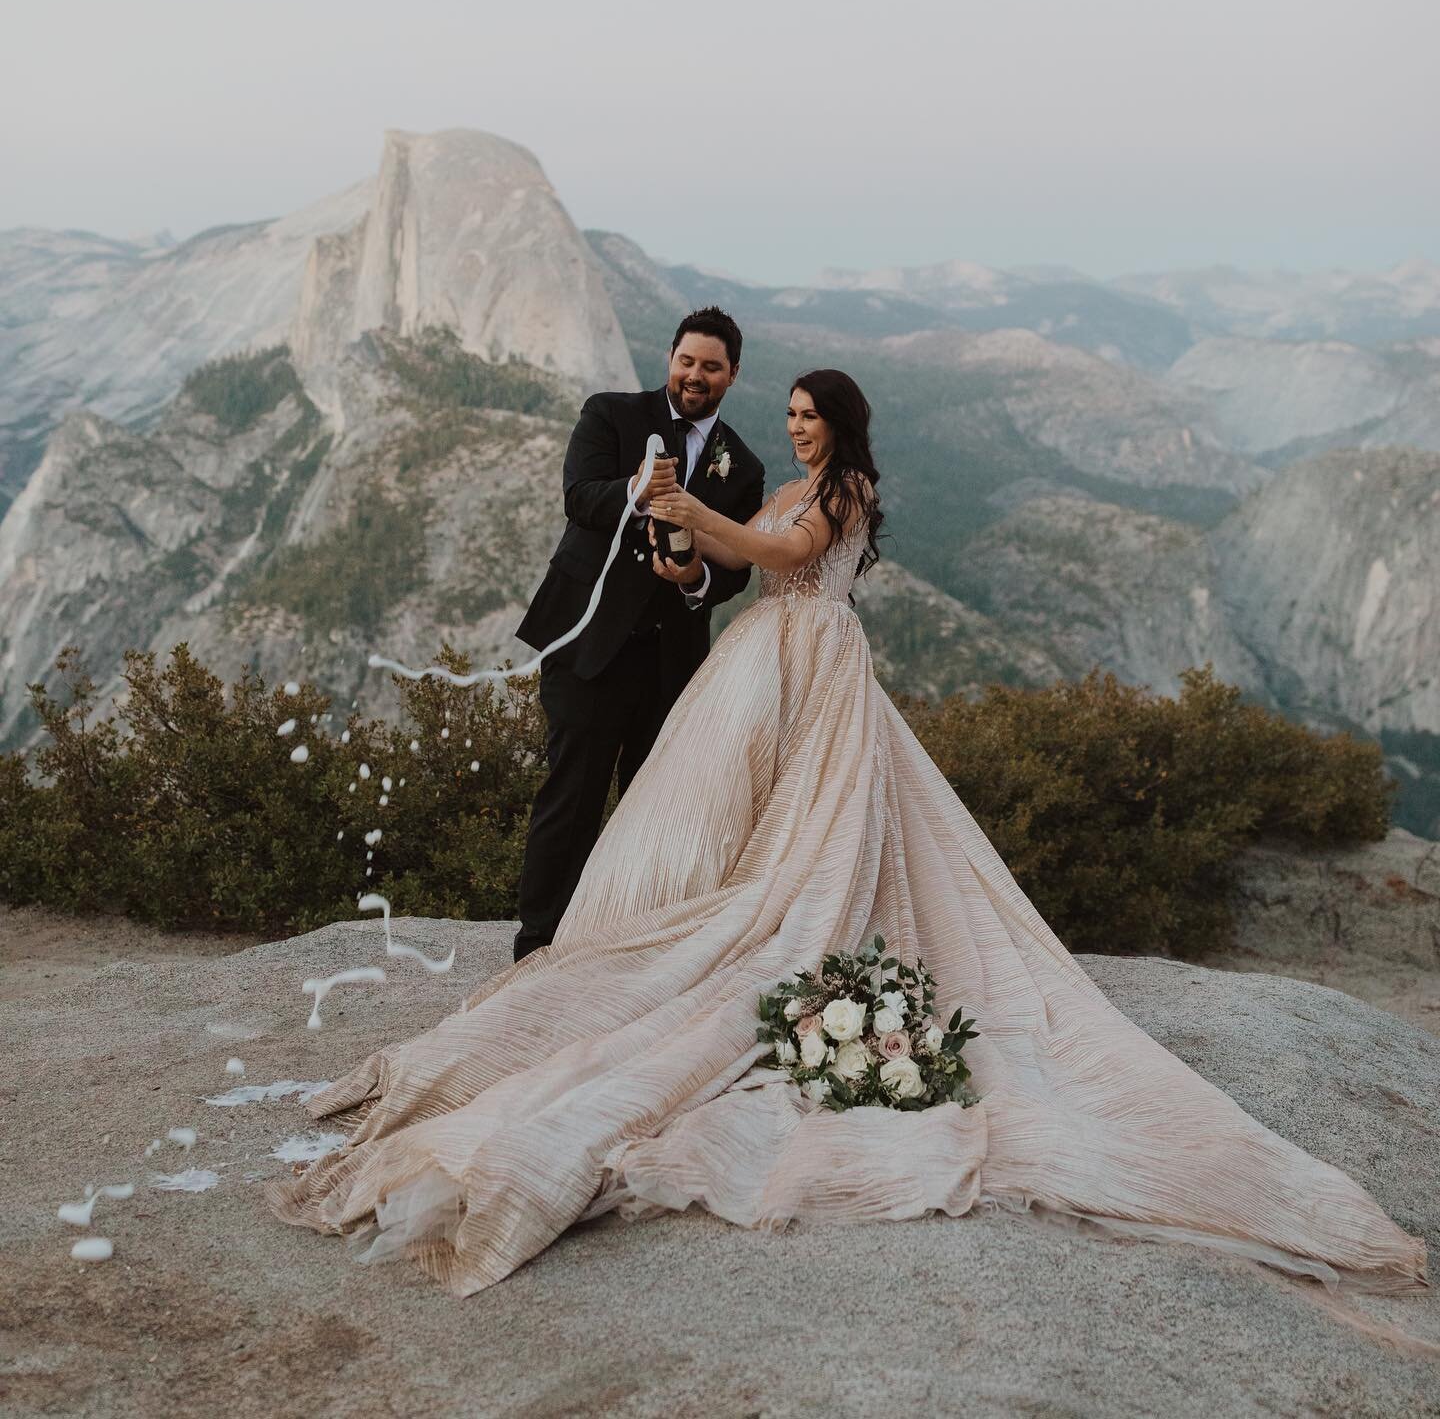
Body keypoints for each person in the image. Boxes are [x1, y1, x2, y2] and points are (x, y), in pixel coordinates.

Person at [271, 368, 1428, 1327]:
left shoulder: (849, 490)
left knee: (818, 841)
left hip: (815, 662)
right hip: (760, 660)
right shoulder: (791, 484)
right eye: (789, 418)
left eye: (808, 416)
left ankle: (766, 936)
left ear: (844, 422)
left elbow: (778, 559)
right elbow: (733, 571)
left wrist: (688, 516)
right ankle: (650, 936)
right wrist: (685, 557)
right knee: (729, 825)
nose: (795, 427)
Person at [509, 307, 764, 959]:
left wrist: (690, 577)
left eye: (711, 366)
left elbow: (732, 576)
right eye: (687, 361)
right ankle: (540, 944)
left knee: (656, 811)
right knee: (573, 797)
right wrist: (634, 488)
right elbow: (579, 496)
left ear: (732, 373)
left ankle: (628, 944)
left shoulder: (745, 468)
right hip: (589, 645)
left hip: (671, 664)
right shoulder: (611, 415)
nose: (695, 375)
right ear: (670, 359)